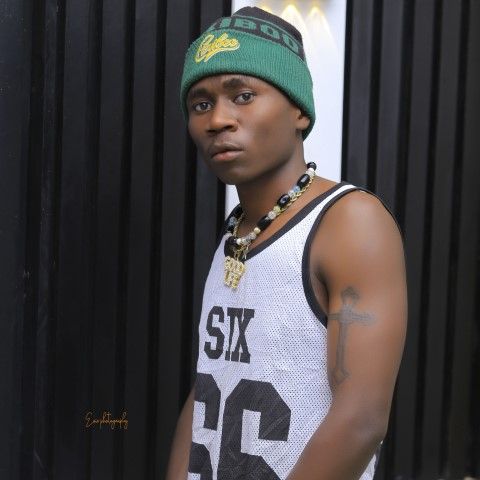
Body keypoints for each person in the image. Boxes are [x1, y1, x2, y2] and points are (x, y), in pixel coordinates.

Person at [166, 6, 407, 480]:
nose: (218, 120)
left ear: (299, 110)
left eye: (243, 95)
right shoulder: (239, 233)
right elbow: (209, 387)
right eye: (201, 104)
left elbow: (361, 419)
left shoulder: (349, 221)